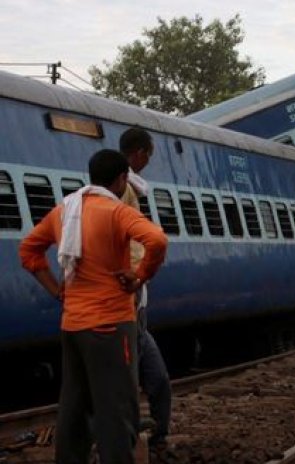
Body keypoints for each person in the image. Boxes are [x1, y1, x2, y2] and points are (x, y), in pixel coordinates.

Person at [19, 149, 168, 464]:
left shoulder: (64, 211)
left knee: (75, 407)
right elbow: (157, 240)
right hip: (111, 325)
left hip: (73, 326)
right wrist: (140, 276)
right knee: (117, 407)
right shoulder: (116, 211)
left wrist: (56, 290)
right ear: (122, 179)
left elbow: (28, 250)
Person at [119, 127, 172, 446]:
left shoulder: (130, 188)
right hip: (128, 299)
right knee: (133, 375)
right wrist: (139, 276)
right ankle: (131, 438)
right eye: (149, 155)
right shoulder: (122, 189)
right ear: (139, 153)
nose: (148, 161)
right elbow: (149, 241)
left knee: (156, 376)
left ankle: (156, 435)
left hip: (137, 301)